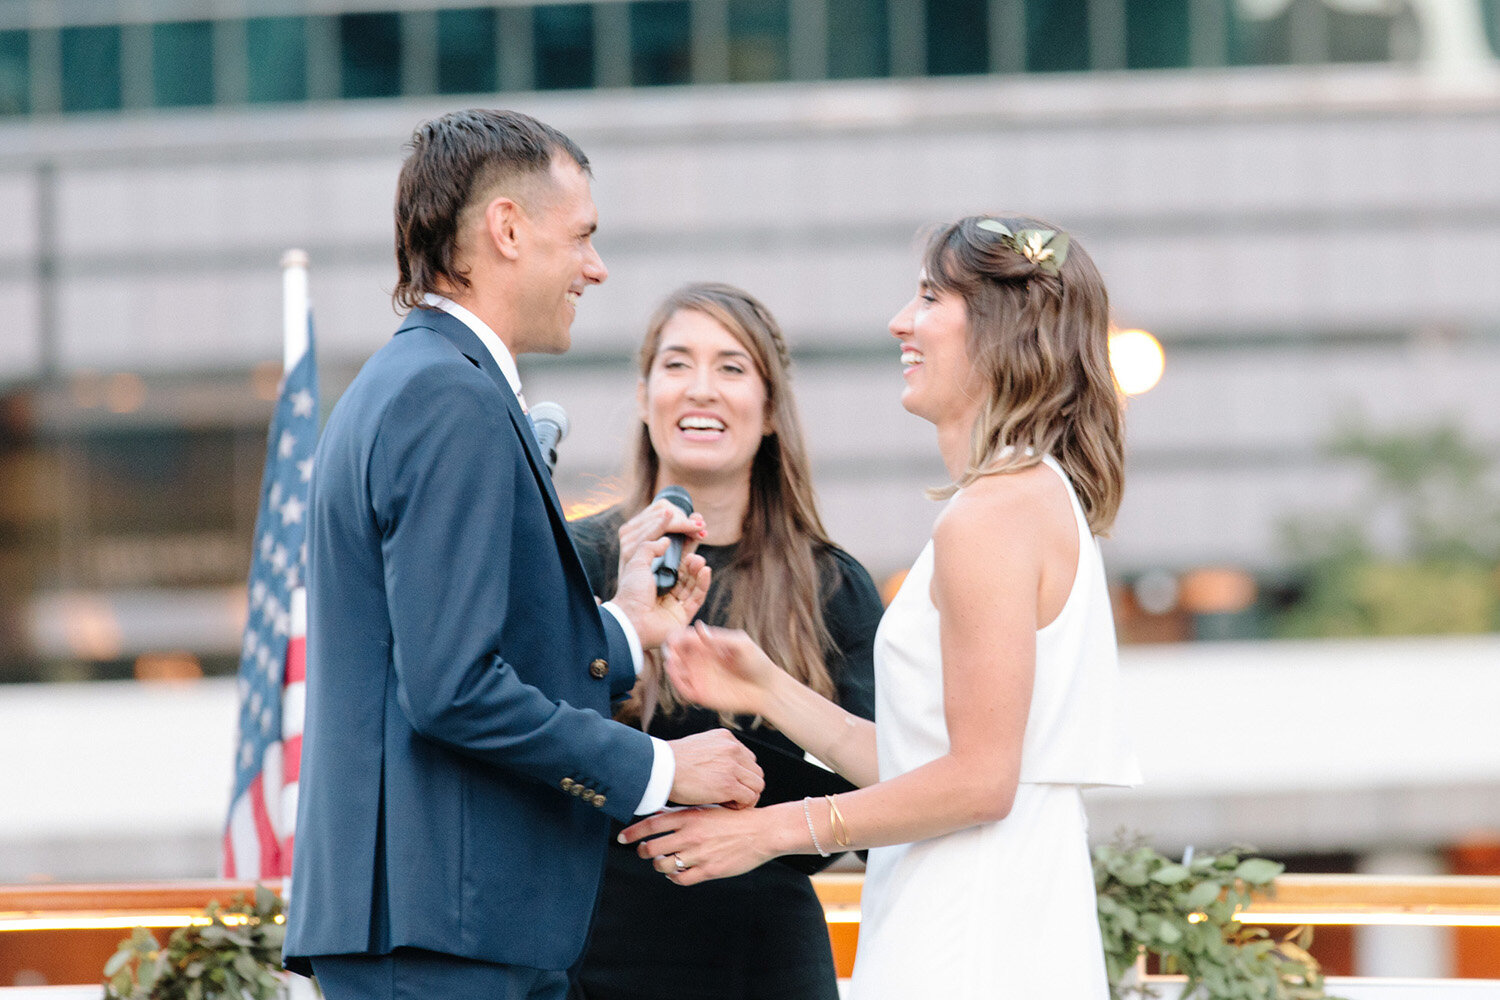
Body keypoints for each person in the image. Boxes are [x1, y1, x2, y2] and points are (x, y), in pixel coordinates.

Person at [283, 109, 763, 1000]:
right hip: (442, 936)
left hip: (442, 925)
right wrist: (661, 770)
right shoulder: (446, 397)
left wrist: (623, 629)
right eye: (581, 236)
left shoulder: (415, 381)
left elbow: (441, 648)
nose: (596, 266)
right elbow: (453, 687)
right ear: (507, 230)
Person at [622, 216, 1143, 998]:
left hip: (970, 929)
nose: (901, 320)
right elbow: (926, 763)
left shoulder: (991, 516)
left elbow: (978, 783)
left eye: (930, 297)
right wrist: (767, 688)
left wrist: (762, 833)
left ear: (999, 331)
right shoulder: (1029, 499)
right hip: (988, 906)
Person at [568, 283, 884, 1000]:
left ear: (770, 411)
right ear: (646, 395)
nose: (700, 389)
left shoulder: (831, 585)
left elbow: (888, 807)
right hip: (593, 951)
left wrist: (760, 808)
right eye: (677, 365)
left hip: (766, 958)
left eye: (732, 367)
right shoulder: (576, 560)